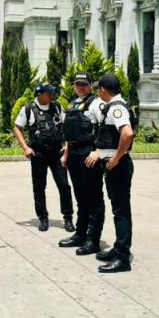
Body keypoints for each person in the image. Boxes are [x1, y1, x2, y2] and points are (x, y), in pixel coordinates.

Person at [84, 73, 134, 272]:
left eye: (99, 89)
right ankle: (118, 248)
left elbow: (127, 133)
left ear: (103, 90)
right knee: (118, 210)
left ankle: (122, 258)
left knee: (121, 211)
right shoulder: (113, 106)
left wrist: (116, 158)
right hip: (114, 165)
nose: (98, 92)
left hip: (118, 166)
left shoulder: (116, 108)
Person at [13, 83, 74, 233]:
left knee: (64, 185)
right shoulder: (28, 109)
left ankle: (68, 218)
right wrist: (25, 148)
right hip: (38, 154)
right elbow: (17, 128)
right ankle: (43, 218)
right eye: (48, 93)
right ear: (39, 94)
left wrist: (67, 146)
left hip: (57, 153)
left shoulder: (57, 107)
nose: (51, 96)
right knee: (39, 187)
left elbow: (67, 126)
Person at [59, 72, 104, 255]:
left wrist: (98, 152)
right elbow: (70, 133)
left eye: (84, 84)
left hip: (89, 154)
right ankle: (80, 234)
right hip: (74, 155)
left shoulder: (97, 103)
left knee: (94, 199)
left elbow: (104, 129)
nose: (81, 87)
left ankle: (93, 240)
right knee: (80, 198)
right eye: (78, 84)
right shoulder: (73, 104)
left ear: (91, 86)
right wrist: (66, 154)